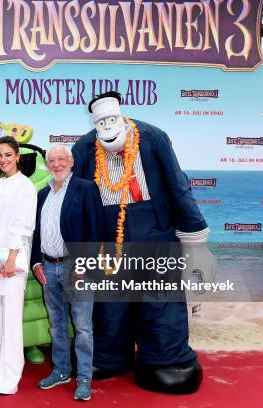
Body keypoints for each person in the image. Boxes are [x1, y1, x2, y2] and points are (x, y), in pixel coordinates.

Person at [72, 91, 214, 394]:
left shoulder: (153, 137)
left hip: (154, 229)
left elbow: (177, 184)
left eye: (112, 120)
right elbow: (78, 196)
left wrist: (194, 234)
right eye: (101, 122)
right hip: (108, 232)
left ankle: (165, 357)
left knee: (159, 298)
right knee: (110, 301)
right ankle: (109, 357)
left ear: (122, 117)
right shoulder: (84, 147)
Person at [30, 145, 103, 401]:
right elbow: (36, 233)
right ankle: (61, 370)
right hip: (48, 267)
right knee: (56, 324)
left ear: (71, 162)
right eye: (52, 160)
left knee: (82, 327)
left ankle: (84, 378)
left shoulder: (85, 189)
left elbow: (96, 232)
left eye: (61, 159)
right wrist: (36, 264)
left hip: (76, 266)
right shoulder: (41, 194)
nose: (57, 164)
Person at [0, 136, 37, 395]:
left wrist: (12, 258)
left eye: (7, 154)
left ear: (17, 156)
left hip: (13, 260)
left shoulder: (25, 186)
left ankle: (11, 377)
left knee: (12, 321)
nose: (3, 159)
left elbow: (24, 224)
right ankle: (0, 370)